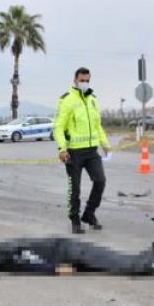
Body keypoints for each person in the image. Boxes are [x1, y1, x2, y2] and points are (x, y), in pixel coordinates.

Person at [53, 67, 111, 234]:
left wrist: (105, 144)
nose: (84, 83)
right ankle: (75, 219)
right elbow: (58, 126)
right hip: (74, 153)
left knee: (100, 181)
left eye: (87, 80)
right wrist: (62, 148)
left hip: (92, 151)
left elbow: (97, 125)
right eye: (82, 80)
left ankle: (89, 214)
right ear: (75, 80)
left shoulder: (93, 99)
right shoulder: (67, 99)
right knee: (75, 188)